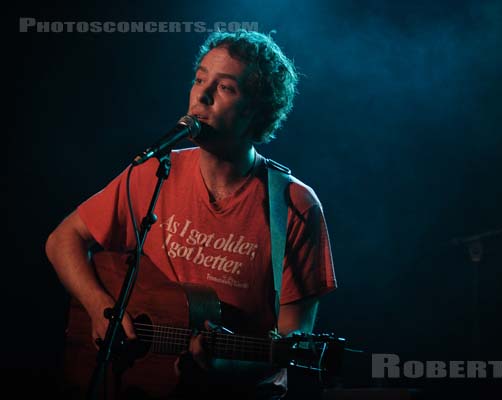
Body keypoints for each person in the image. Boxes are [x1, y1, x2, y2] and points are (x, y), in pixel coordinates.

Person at [45, 30, 337, 399]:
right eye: (200, 79)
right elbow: (62, 240)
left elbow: (293, 341)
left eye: (225, 87)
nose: (202, 95)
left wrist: (226, 365)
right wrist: (101, 307)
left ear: (255, 110)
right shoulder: (154, 172)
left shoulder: (294, 205)